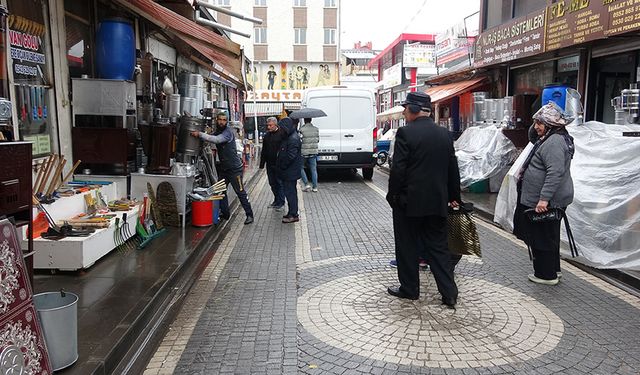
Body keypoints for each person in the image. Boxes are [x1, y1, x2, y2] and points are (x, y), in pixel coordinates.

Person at [386, 92, 461, 308]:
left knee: (407, 246)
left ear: (414, 109)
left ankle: (410, 289)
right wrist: (454, 196)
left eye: (405, 108)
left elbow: (398, 170)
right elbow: (452, 168)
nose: (403, 112)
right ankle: (449, 293)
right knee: (438, 248)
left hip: (409, 203)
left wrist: (393, 196)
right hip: (437, 202)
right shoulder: (444, 134)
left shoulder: (405, 133)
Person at [513, 102, 575, 286]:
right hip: (547, 199)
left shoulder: (554, 142)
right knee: (549, 235)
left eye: (540, 123)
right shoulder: (550, 137)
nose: (536, 127)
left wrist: (543, 200)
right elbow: (533, 136)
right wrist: (539, 120)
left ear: (550, 125)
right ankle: (553, 269)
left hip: (547, 200)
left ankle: (546, 274)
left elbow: (555, 173)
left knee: (541, 237)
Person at [191, 112, 254, 225]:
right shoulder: (218, 131)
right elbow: (212, 138)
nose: (221, 122)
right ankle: (225, 213)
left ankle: (249, 215)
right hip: (224, 169)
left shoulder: (228, 132)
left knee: (240, 192)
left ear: (227, 121)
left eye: (224, 120)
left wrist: (199, 134)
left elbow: (216, 140)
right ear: (216, 120)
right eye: (220, 119)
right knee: (220, 191)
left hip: (235, 169)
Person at [276, 117, 303, 223]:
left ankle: (293, 214)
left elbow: (290, 156)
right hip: (288, 172)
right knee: (290, 193)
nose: (280, 130)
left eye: (281, 128)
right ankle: (291, 212)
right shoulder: (288, 137)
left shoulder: (293, 139)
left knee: (290, 193)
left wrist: (282, 165)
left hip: (289, 172)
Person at [260, 117, 286, 211]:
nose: (269, 127)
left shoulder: (282, 134)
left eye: (270, 125)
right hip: (269, 164)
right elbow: (264, 150)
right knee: (272, 183)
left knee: (279, 183)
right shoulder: (267, 136)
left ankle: (281, 202)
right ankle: (276, 200)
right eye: (268, 125)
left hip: (278, 164)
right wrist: (261, 164)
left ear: (275, 124)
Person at [299, 117, 319, 192]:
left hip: (304, 153)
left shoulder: (301, 129)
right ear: (311, 120)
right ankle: (315, 187)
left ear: (304, 120)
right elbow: (318, 140)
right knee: (313, 169)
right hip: (313, 152)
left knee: (300, 167)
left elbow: (300, 140)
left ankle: (306, 184)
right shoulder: (316, 129)